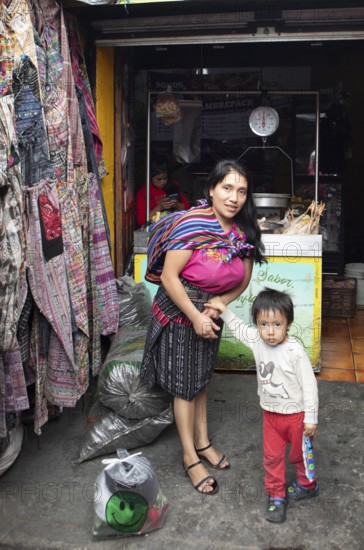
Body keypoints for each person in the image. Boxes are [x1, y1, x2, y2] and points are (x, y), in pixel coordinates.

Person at [140, 159, 265, 495]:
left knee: (200, 378)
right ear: (211, 189)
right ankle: (189, 456)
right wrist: (196, 317)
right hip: (181, 310)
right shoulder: (192, 224)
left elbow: (244, 279)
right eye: (227, 188)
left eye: (241, 190)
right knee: (184, 385)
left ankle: (203, 441)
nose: (234, 197)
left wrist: (220, 303)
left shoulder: (244, 231)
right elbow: (168, 277)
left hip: (211, 310)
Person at [205, 288, 319, 521]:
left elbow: (309, 385)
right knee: (272, 457)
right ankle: (276, 496)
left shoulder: (294, 351)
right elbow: (239, 329)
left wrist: (311, 417)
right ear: (257, 324)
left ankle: (308, 485)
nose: (270, 332)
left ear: (288, 323)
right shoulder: (257, 341)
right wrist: (224, 310)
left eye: (277, 324)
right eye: (263, 324)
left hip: (296, 416)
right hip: (271, 416)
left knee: (298, 456)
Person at [136, 160, 190, 227]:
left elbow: (187, 207)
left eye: (165, 178)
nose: (163, 182)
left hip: (175, 225)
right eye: (159, 179)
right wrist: (159, 207)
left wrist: (176, 205)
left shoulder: (173, 185)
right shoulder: (144, 192)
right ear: (150, 177)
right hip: (155, 228)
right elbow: (141, 222)